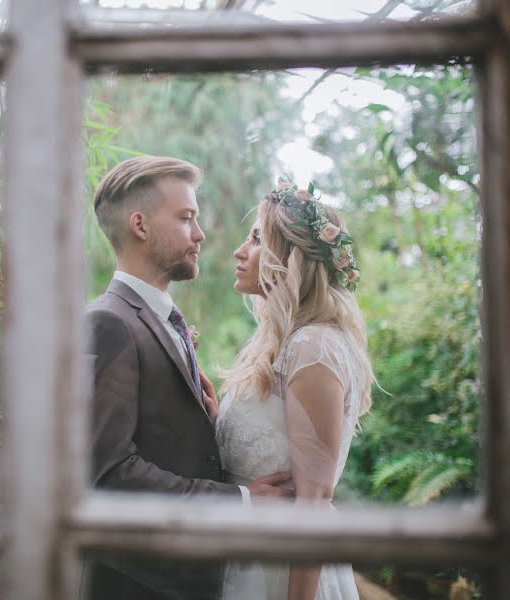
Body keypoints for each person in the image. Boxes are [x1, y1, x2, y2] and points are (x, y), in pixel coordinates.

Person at [85, 156, 294, 600]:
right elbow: (107, 472)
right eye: (186, 218)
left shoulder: (161, 320)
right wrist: (237, 501)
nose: (199, 234)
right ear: (140, 225)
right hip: (139, 584)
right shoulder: (109, 323)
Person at [216, 179, 374, 600]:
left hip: (282, 572)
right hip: (246, 555)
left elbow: (315, 501)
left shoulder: (314, 346)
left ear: (289, 257)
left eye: (254, 240)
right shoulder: (283, 344)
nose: (239, 251)